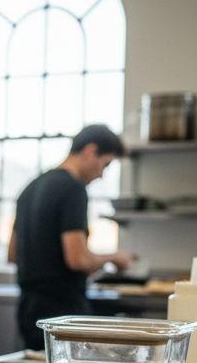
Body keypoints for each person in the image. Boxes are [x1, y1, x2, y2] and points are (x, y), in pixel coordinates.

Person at [9, 124, 134, 350]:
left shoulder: (30, 188)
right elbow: (77, 259)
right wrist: (114, 257)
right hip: (63, 314)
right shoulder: (73, 188)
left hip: (28, 310)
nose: (102, 174)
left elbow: (12, 253)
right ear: (89, 151)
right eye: (105, 164)